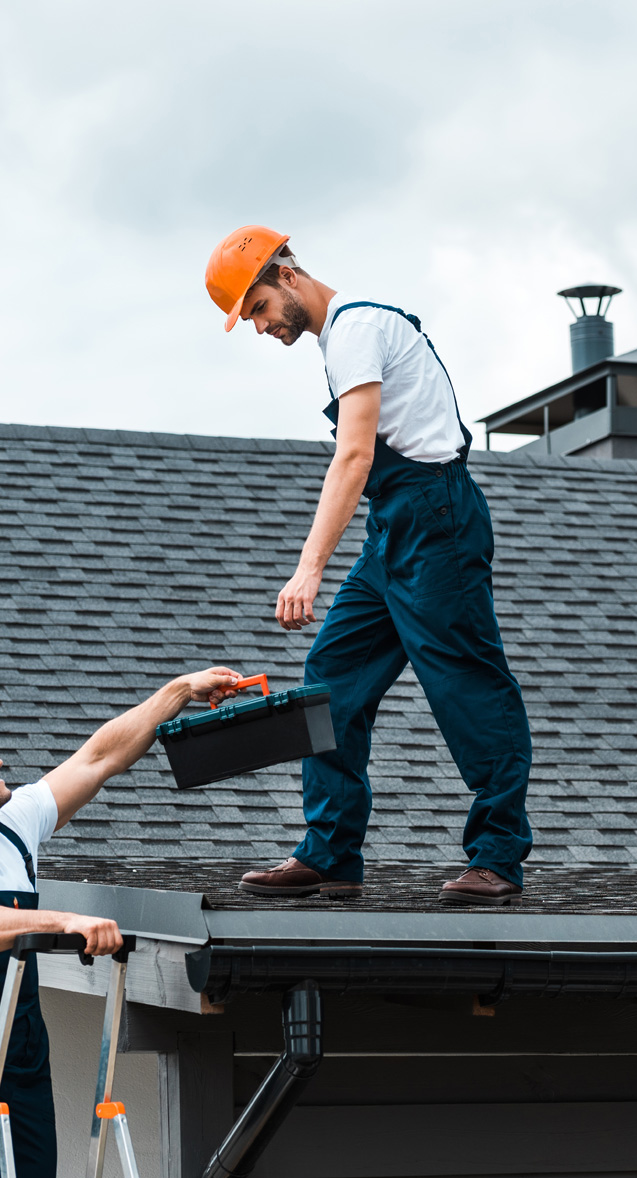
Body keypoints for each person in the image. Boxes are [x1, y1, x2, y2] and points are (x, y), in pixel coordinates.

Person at [205, 225, 533, 906]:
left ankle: (497, 857)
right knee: (332, 678)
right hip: (397, 524)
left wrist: (308, 568)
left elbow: (354, 458)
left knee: (466, 684)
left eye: (259, 308)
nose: (262, 327)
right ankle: (330, 855)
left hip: (434, 520)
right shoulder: (343, 340)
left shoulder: (356, 330)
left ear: (286, 276)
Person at [0, 667, 241, 1178]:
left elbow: (99, 757)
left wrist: (182, 690)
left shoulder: (13, 827)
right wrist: (62, 920)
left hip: (22, 1056)